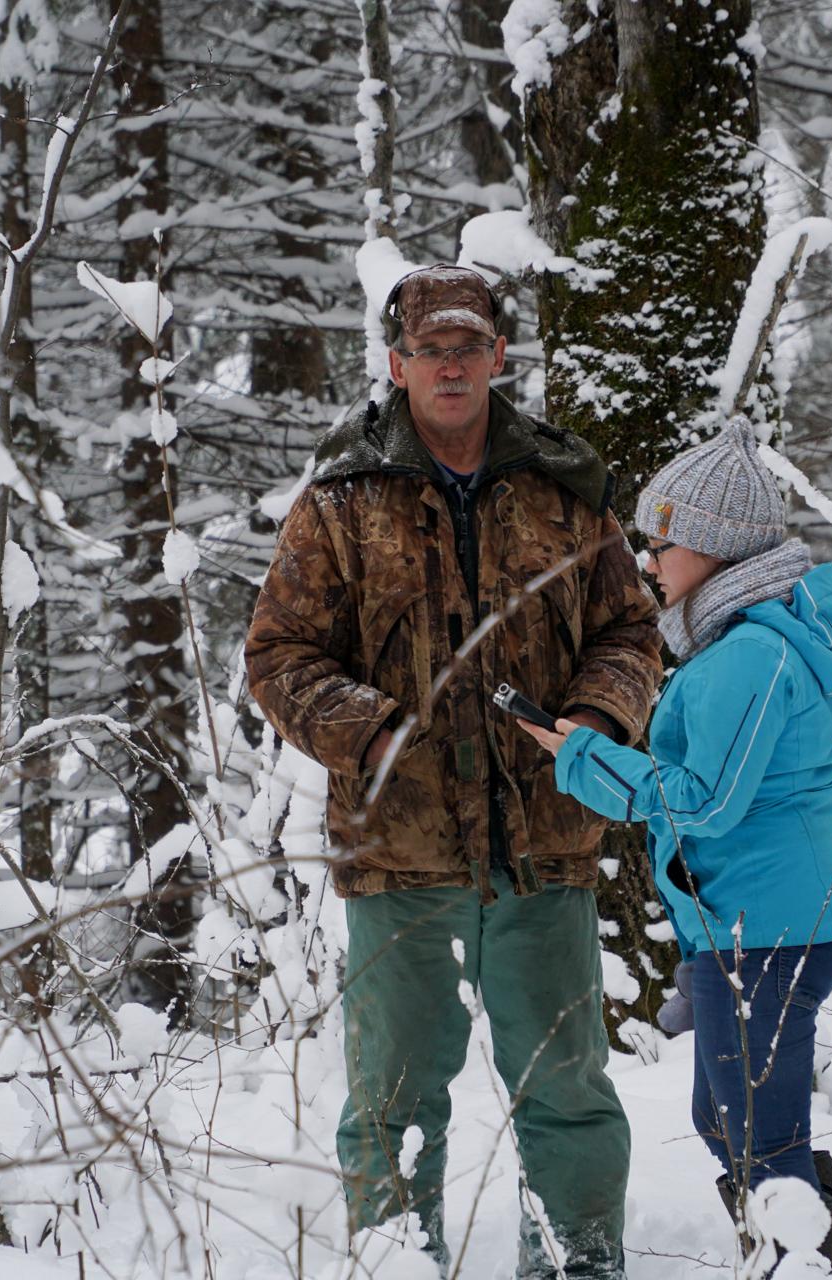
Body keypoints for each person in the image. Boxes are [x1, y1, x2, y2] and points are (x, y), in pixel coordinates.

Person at [245, 264, 661, 1276]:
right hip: (400, 855)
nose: (452, 364)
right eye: (431, 348)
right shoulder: (341, 500)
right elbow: (278, 656)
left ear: (498, 357)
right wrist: (373, 730)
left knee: (564, 1086)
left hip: (542, 843)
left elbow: (631, 629)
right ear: (397, 362)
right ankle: (395, 1260)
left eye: (468, 345)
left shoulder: (567, 491)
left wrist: (596, 714)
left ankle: (577, 1257)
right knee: (392, 1097)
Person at [520, 419, 832, 1275]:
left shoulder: (751, 654)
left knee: (759, 1132)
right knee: (729, 1122)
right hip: (751, 922)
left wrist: (581, 756)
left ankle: (796, 1259)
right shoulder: (741, 642)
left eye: (661, 541)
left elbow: (705, 803)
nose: (647, 561)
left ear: (713, 547)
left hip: (774, 929)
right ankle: (790, 1241)